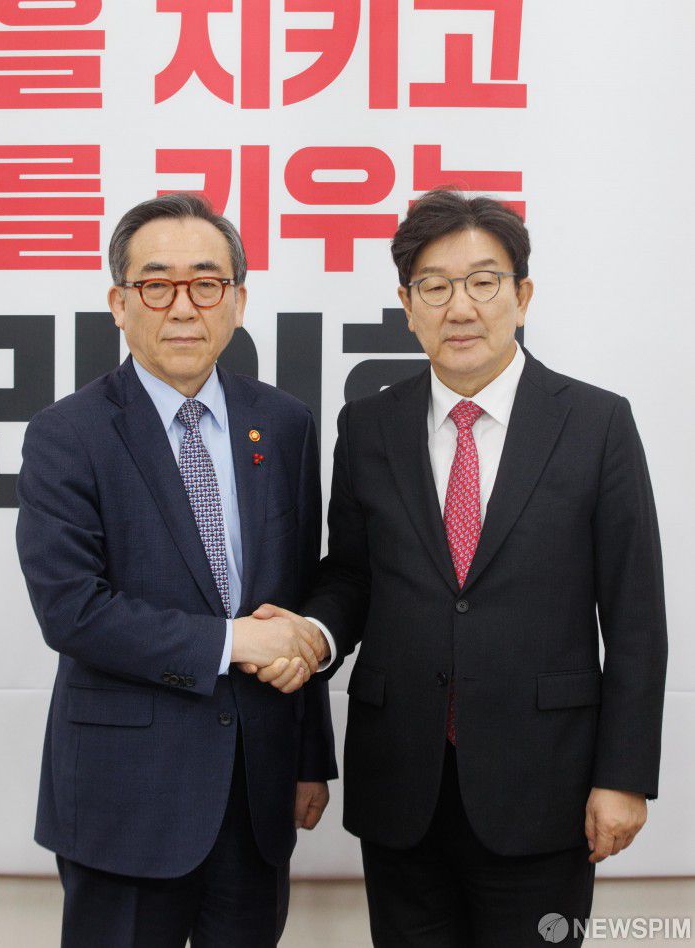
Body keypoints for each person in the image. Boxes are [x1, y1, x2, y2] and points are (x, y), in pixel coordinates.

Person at [254, 190, 668, 946]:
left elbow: (636, 617)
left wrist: (624, 776)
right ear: (408, 306)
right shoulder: (369, 425)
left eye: (483, 281)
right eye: (435, 286)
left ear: (522, 295)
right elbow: (352, 576)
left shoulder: (596, 423)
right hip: (401, 784)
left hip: (545, 785)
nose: (461, 307)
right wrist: (313, 633)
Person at [15, 192, 336, 948]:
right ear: (119, 304)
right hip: (125, 797)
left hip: (256, 794)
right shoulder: (68, 433)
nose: (183, 307)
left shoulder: (284, 423)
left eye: (207, 283)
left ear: (238, 301)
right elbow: (72, 611)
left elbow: (295, 597)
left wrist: (309, 758)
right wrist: (232, 642)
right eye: (157, 285)